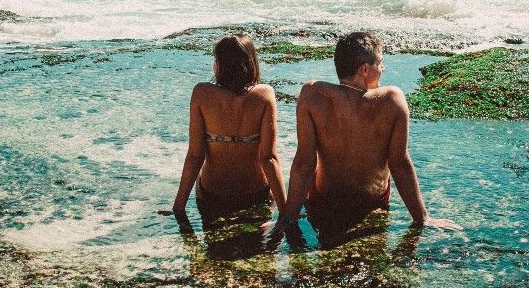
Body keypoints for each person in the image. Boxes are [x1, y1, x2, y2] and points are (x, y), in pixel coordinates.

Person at [277, 32, 461, 233]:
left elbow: (305, 162)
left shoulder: (312, 94)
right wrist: (422, 218)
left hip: (324, 198)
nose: (383, 68)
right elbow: (398, 163)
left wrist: (287, 218)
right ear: (364, 69)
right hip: (371, 201)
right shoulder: (392, 100)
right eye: (379, 62)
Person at [168, 33, 287, 225]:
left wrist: (178, 208)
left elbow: (195, 156)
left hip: (213, 194)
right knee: (262, 249)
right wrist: (286, 212)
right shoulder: (265, 95)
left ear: (219, 64)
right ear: (251, 63)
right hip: (256, 193)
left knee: (213, 252)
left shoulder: (202, 94)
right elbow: (269, 158)